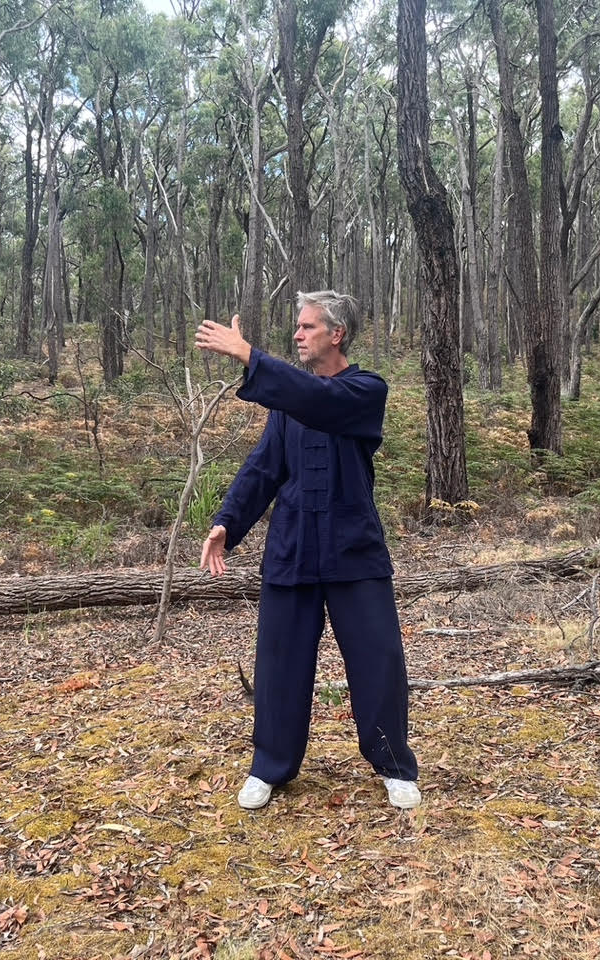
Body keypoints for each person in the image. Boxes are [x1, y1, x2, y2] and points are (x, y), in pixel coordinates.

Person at [194, 290, 420, 811]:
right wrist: (227, 523)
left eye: (308, 327)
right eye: (297, 327)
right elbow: (264, 467)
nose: (297, 335)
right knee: (279, 663)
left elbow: (322, 403)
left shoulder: (365, 390)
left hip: (354, 550)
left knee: (378, 660)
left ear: (336, 334)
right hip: (293, 549)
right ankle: (270, 766)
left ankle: (393, 765)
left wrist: (251, 357)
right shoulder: (288, 403)